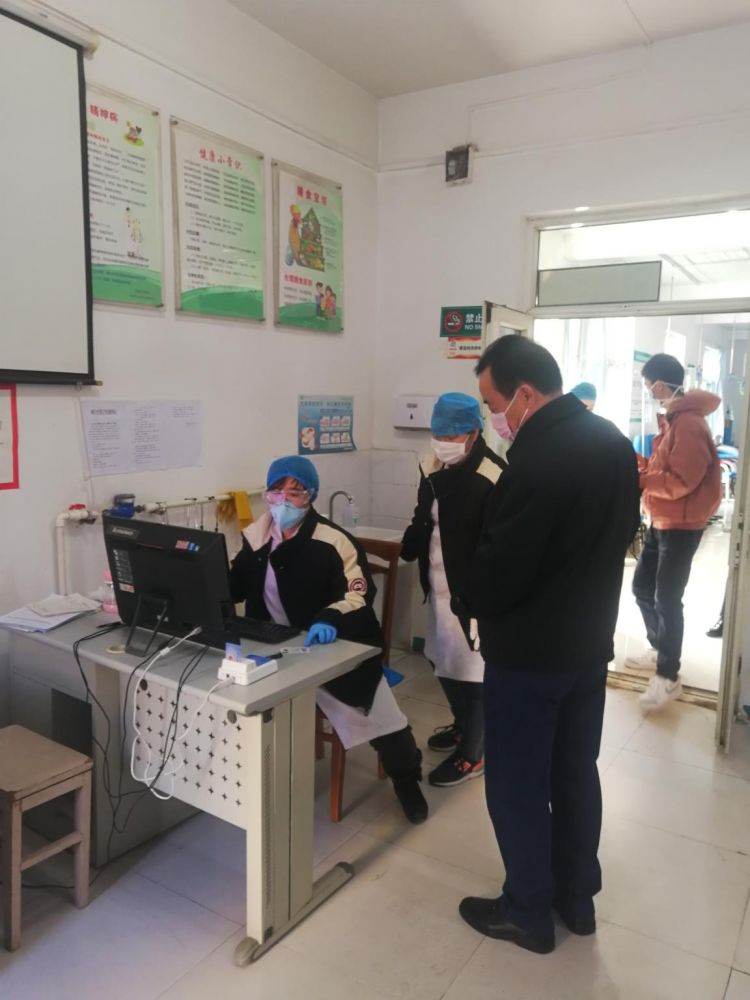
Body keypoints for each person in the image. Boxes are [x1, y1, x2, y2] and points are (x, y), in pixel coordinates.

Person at [455, 335, 640, 955]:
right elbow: (622, 533)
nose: (494, 418)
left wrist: (469, 593)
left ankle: (527, 910)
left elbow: (501, 571)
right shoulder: (611, 442)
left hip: (529, 657)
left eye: (492, 404)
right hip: (588, 648)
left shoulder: (534, 462)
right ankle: (576, 898)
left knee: (518, 783)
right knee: (575, 772)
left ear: (525, 395)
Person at [229, 455, 428, 824]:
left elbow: (359, 591)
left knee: (382, 718)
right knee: (244, 702)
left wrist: (330, 616)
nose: (284, 500)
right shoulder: (256, 538)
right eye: (276, 491)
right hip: (276, 650)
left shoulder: (334, 540)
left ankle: (406, 777)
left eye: (295, 492)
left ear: (312, 495)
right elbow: (235, 586)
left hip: (333, 647)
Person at [400, 393, 504, 787]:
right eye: (438, 434)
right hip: (438, 587)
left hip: (472, 595)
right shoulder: (431, 465)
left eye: (452, 435)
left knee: (474, 675)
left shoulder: (493, 476)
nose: (443, 442)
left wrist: (483, 595)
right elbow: (423, 514)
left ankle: (474, 755)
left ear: (474, 433)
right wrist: (410, 542)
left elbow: (499, 545)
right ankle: (464, 727)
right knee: (441, 662)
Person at [624, 354, 722, 711]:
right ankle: (659, 647)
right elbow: (664, 467)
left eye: (648, 384)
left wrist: (640, 480)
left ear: (660, 385)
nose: (647, 390)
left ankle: (668, 676)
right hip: (661, 519)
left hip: (682, 525)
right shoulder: (673, 419)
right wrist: (639, 466)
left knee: (666, 598)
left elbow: (683, 480)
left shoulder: (690, 424)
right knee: (641, 588)